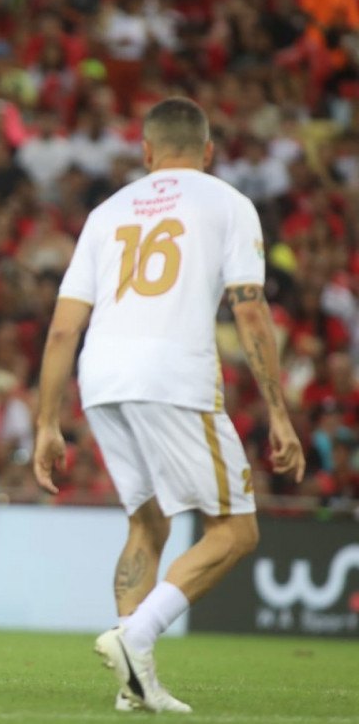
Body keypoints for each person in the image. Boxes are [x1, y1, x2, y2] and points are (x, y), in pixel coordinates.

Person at [33, 97, 305, 713]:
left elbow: (61, 327)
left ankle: (133, 686)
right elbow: (249, 304)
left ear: (146, 152)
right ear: (208, 152)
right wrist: (279, 412)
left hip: (101, 377)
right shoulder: (228, 202)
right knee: (236, 530)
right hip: (172, 375)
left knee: (148, 522)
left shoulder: (106, 212)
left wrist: (48, 421)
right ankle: (138, 635)